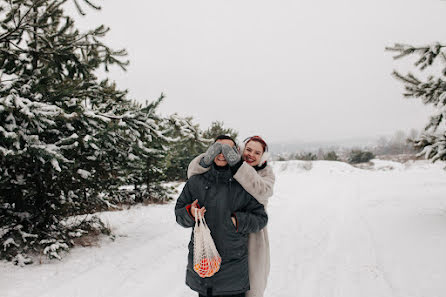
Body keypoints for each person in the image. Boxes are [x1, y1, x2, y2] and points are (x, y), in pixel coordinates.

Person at [175, 135, 268, 297]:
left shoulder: (244, 185)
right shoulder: (196, 182)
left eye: (228, 150)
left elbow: (261, 218)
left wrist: (237, 221)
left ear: (235, 153)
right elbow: (179, 213)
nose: (221, 153)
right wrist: (190, 213)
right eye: (217, 148)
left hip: (233, 272)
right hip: (203, 266)